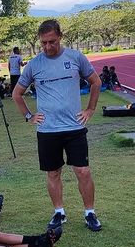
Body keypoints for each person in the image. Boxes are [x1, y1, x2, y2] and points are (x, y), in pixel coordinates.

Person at [12, 19, 103, 234]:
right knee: (53, 173)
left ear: (60, 36)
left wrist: (90, 109)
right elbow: (17, 93)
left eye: (51, 41)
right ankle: (59, 212)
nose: (47, 47)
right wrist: (29, 116)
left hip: (74, 128)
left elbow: (96, 82)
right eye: (43, 43)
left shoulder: (75, 57)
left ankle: (90, 212)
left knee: (83, 171)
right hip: (47, 131)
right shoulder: (34, 65)